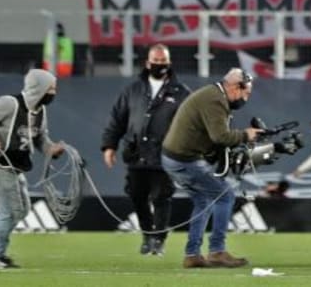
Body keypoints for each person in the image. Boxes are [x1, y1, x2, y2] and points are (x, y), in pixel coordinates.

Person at [160, 68, 260, 269]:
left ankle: (192, 255)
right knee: (225, 196)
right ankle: (217, 251)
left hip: (173, 157)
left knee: (203, 200)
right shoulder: (216, 101)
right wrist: (245, 135)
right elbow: (220, 137)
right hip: (184, 159)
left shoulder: (212, 94)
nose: (246, 98)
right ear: (234, 87)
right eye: (245, 92)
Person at [0, 70, 65, 269]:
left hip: (15, 164)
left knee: (22, 210)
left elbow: (40, 138)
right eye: (51, 88)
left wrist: (51, 149)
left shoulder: (40, 111)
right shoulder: (9, 103)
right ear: (39, 89)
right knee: (9, 211)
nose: (54, 93)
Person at [101, 45, 190, 255]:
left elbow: (190, 125)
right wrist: (109, 146)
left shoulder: (181, 92)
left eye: (163, 60)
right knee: (137, 196)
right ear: (147, 62)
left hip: (165, 155)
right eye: (155, 60)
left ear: (169, 63)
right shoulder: (133, 90)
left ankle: (159, 239)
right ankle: (147, 235)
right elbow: (117, 120)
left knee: (162, 197)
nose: (159, 64)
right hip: (136, 154)